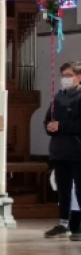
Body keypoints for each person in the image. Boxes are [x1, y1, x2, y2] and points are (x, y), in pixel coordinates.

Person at [43, 62, 81, 240]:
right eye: (63, 76)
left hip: (77, 151)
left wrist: (61, 126)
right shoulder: (58, 97)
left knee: (80, 190)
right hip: (59, 150)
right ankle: (63, 224)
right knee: (63, 190)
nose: (65, 79)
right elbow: (47, 119)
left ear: (79, 77)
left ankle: (78, 226)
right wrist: (49, 126)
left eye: (69, 75)